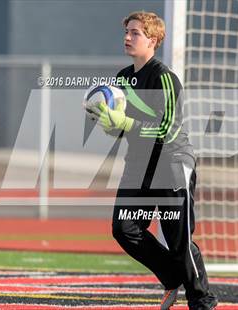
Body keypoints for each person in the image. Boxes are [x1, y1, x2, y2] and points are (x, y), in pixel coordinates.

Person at [89, 11, 217, 310]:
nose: (127, 37)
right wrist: (110, 124)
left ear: (153, 40)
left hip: (172, 163)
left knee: (178, 240)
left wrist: (125, 122)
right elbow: (123, 129)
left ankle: (203, 302)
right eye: (127, 32)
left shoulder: (164, 77)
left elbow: (167, 129)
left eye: (135, 33)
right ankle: (173, 276)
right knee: (124, 228)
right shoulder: (121, 78)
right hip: (139, 163)